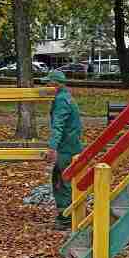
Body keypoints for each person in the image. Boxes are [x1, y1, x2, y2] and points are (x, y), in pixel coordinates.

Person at [45, 69, 83, 230]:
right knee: (60, 179)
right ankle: (67, 215)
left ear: (56, 84)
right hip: (71, 145)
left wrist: (52, 148)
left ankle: (66, 218)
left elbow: (58, 126)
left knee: (62, 181)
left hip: (66, 148)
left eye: (49, 83)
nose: (46, 85)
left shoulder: (61, 100)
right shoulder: (66, 97)